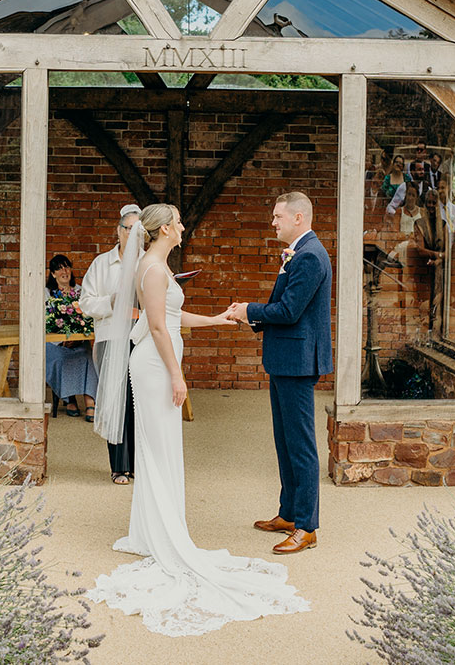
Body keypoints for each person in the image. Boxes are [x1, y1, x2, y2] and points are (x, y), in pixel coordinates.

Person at [88, 204, 310, 636]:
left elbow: (173, 317)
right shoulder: (152, 269)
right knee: (158, 448)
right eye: (179, 220)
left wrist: (217, 320)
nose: (184, 226)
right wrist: (177, 375)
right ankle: (162, 537)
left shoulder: (158, 266)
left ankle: (155, 531)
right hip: (154, 368)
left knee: (164, 448)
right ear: (166, 228)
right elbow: (155, 327)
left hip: (159, 362)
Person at [225, 191, 332, 556]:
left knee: (301, 446)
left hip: (299, 362)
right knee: (285, 441)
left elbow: (288, 311)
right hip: (287, 359)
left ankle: (307, 527)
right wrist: (251, 313)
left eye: (277, 217)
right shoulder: (299, 253)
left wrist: (248, 311)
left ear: (298, 218)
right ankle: (288, 513)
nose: (273, 223)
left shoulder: (310, 257)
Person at [79, 205, 141, 484]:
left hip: (139, 338)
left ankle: (138, 464)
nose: (134, 234)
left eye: (140, 230)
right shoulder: (101, 264)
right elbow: (85, 303)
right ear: (118, 231)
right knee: (115, 400)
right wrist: (111, 302)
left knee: (137, 401)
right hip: (108, 339)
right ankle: (119, 467)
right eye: (129, 229)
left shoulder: (146, 261)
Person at [45, 254, 98, 421]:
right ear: (53, 274)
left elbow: (88, 318)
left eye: (67, 267)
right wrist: (62, 340)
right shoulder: (47, 294)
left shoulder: (80, 292)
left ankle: (90, 401)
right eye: (59, 268)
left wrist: (76, 337)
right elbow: (45, 322)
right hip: (54, 344)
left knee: (87, 356)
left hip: (77, 340)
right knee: (61, 358)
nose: (64, 271)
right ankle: (70, 399)